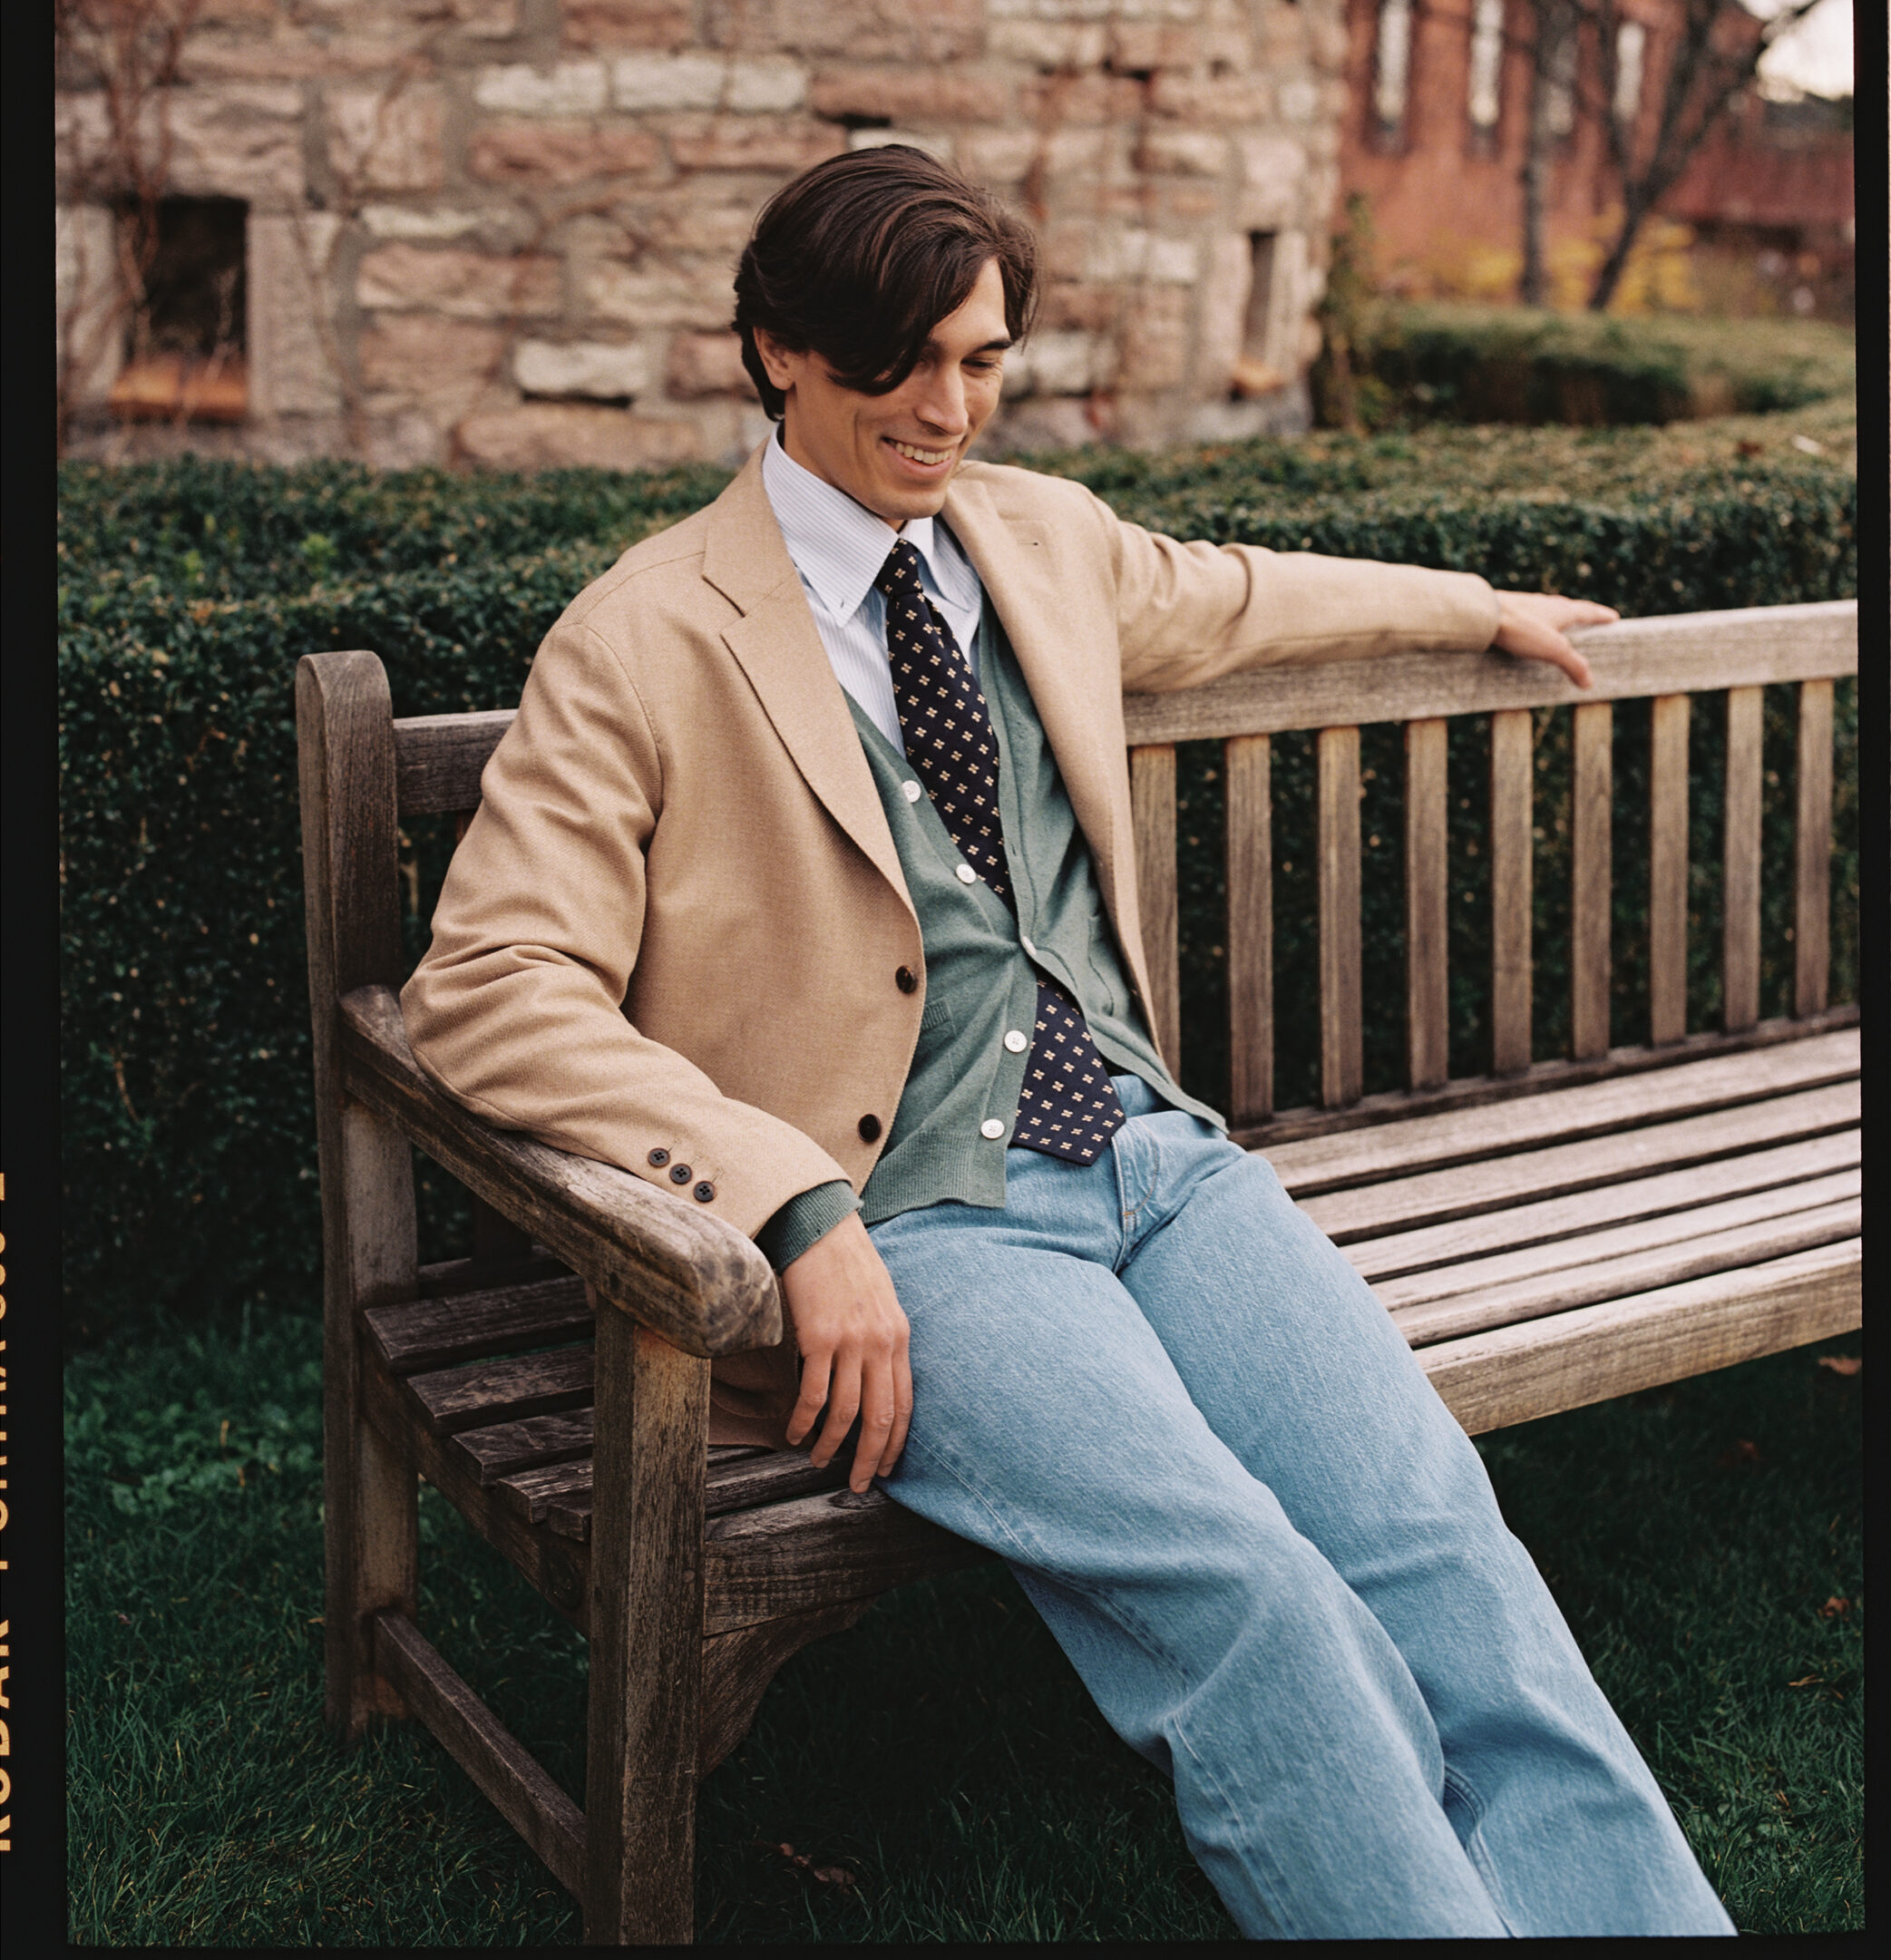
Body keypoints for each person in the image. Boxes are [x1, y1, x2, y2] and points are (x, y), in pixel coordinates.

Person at [403, 147, 1735, 1937]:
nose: (946, 409)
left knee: (1439, 1541)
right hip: (918, 1228)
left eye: (981, 361)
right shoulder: (642, 637)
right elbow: (489, 982)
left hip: (1151, 1157)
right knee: (1245, 1593)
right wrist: (784, 1202)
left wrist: (1466, 604)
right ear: (776, 350)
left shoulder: (1035, 538)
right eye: (900, 362)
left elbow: (1235, 593)